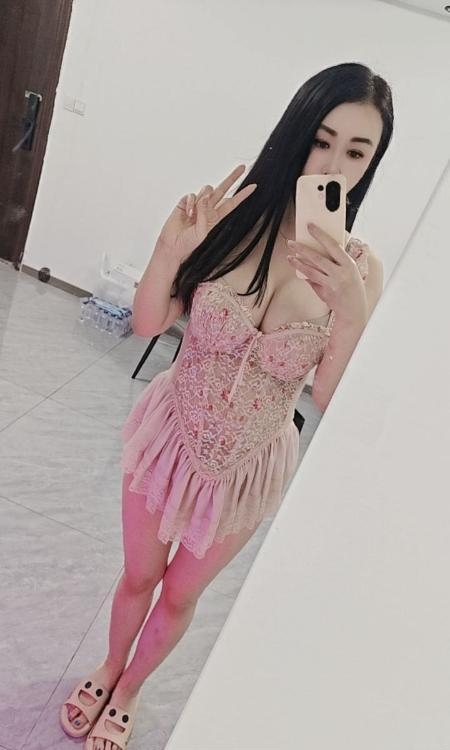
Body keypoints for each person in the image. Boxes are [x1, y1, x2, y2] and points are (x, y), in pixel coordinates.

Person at [60, 61, 392, 749]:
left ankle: (130, 689)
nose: (333, 165)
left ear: (373, 163)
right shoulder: (232, 215)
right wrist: (166, 251)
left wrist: (352, 314)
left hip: (250, 463)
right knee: (139, 575)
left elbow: (328, 400)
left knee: (182, 593)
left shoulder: (361, 270)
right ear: (296, 132)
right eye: (322, 139)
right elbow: (149, 323)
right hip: (172, 431)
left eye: (357, 152)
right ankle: (108, 666)